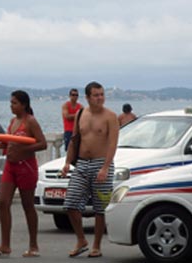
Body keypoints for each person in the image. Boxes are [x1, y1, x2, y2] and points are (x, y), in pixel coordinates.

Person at [61, 81, 119, 258]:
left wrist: (105, 167)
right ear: (87, 97)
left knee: (99, 208)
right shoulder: (81, 114)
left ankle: (96, 245)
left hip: (101, 164)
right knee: (70, 203)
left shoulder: (110, 116)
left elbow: (112, 144)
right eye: (96, 95)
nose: (100, 98)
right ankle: (81, 240)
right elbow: (74, 140)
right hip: (82, 164)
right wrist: (67, 162)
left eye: (102, 94)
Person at [0, 90, 47, 258]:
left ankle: (33, 245)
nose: (11, 106)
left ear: (23, 104)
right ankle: (5, 245)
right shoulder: (13, 121)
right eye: (11, 102)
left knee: (27, 205)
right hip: (10, 165)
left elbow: (42, 143)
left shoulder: (31, 122)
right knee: (2, 201)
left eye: (14, 103)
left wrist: (25, 148)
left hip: (26, 166)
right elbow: (9, 144)